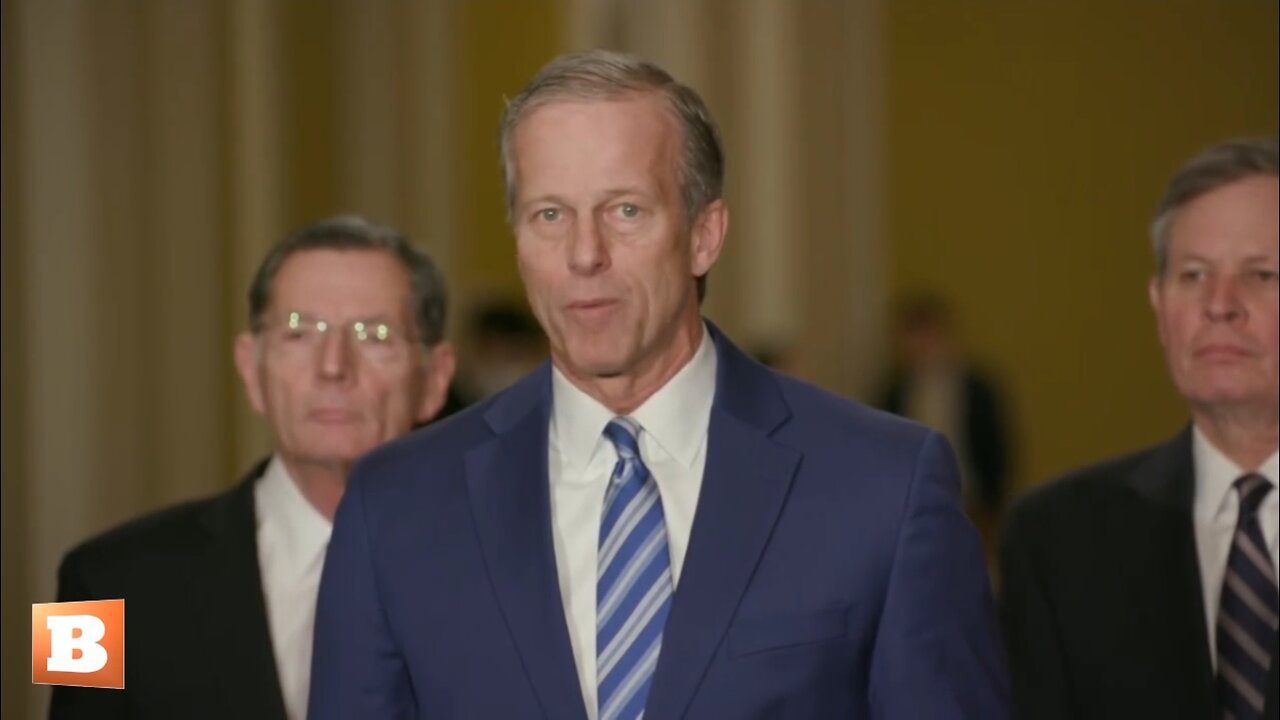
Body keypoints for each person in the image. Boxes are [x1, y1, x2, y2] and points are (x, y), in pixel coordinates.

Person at [310, 50, 1007, 719]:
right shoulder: (395, 508)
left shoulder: (884, 486)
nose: (585, 255)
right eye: (550, 215)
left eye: (625, 211)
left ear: (704, 236)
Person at [50, 216, 456, 720]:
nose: (333, 366)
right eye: (298, 332)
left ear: (435, 379)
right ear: (251, 369)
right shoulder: (92, 586)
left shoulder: (522, 573)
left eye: (373, 335)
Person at [1000, 138, 1279, 719]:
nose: (1220, 305)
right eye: (1194, 275)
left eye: (1262, 274)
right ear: (1159, 306)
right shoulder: (1057, 541)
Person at [878, 294, 1012, 540]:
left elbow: (997, 448)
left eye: (925, 335)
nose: (919, 345)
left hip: (971, 501)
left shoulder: (977, 389)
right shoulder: (893, 393)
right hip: (911, 503)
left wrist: (993, 504)